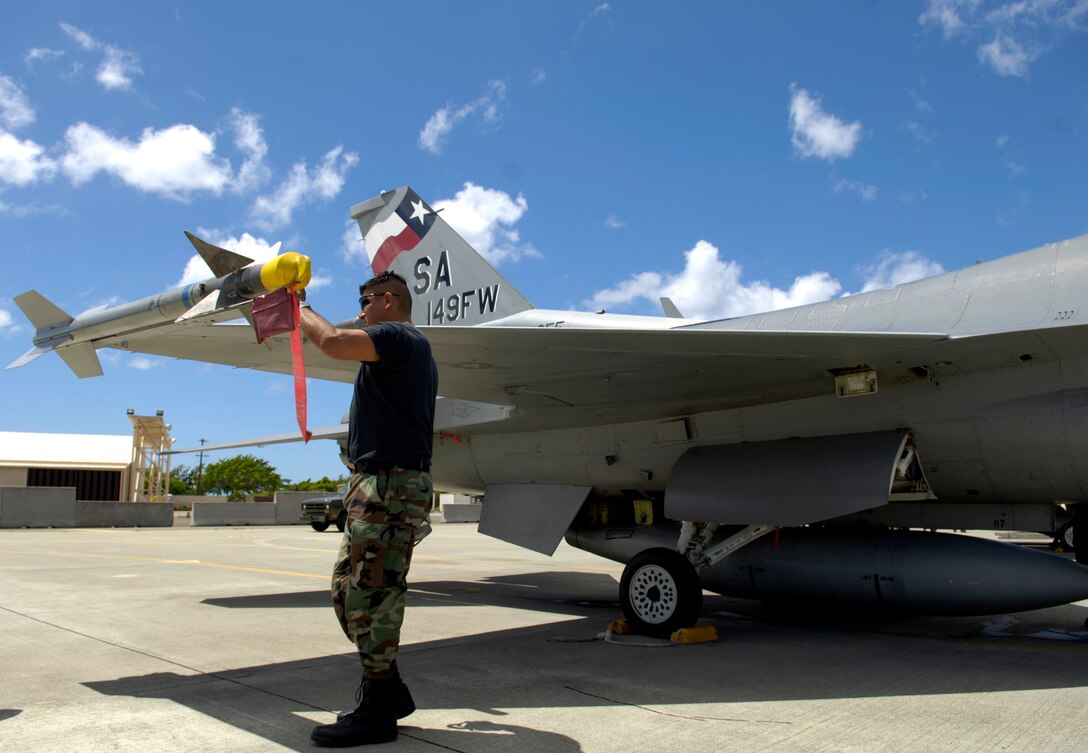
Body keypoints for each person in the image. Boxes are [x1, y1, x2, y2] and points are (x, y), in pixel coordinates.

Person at [297, 270, 438, 747]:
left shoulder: (397, 335)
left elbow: (332, 342)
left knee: (374, 596)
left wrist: (297, 306)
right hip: (374, 484)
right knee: (348, 591)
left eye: (364, 301)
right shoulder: (399, 347)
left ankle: (378, 711)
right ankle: (389, 689)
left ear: (387, 300)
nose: (359, 311)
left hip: (390, 485)